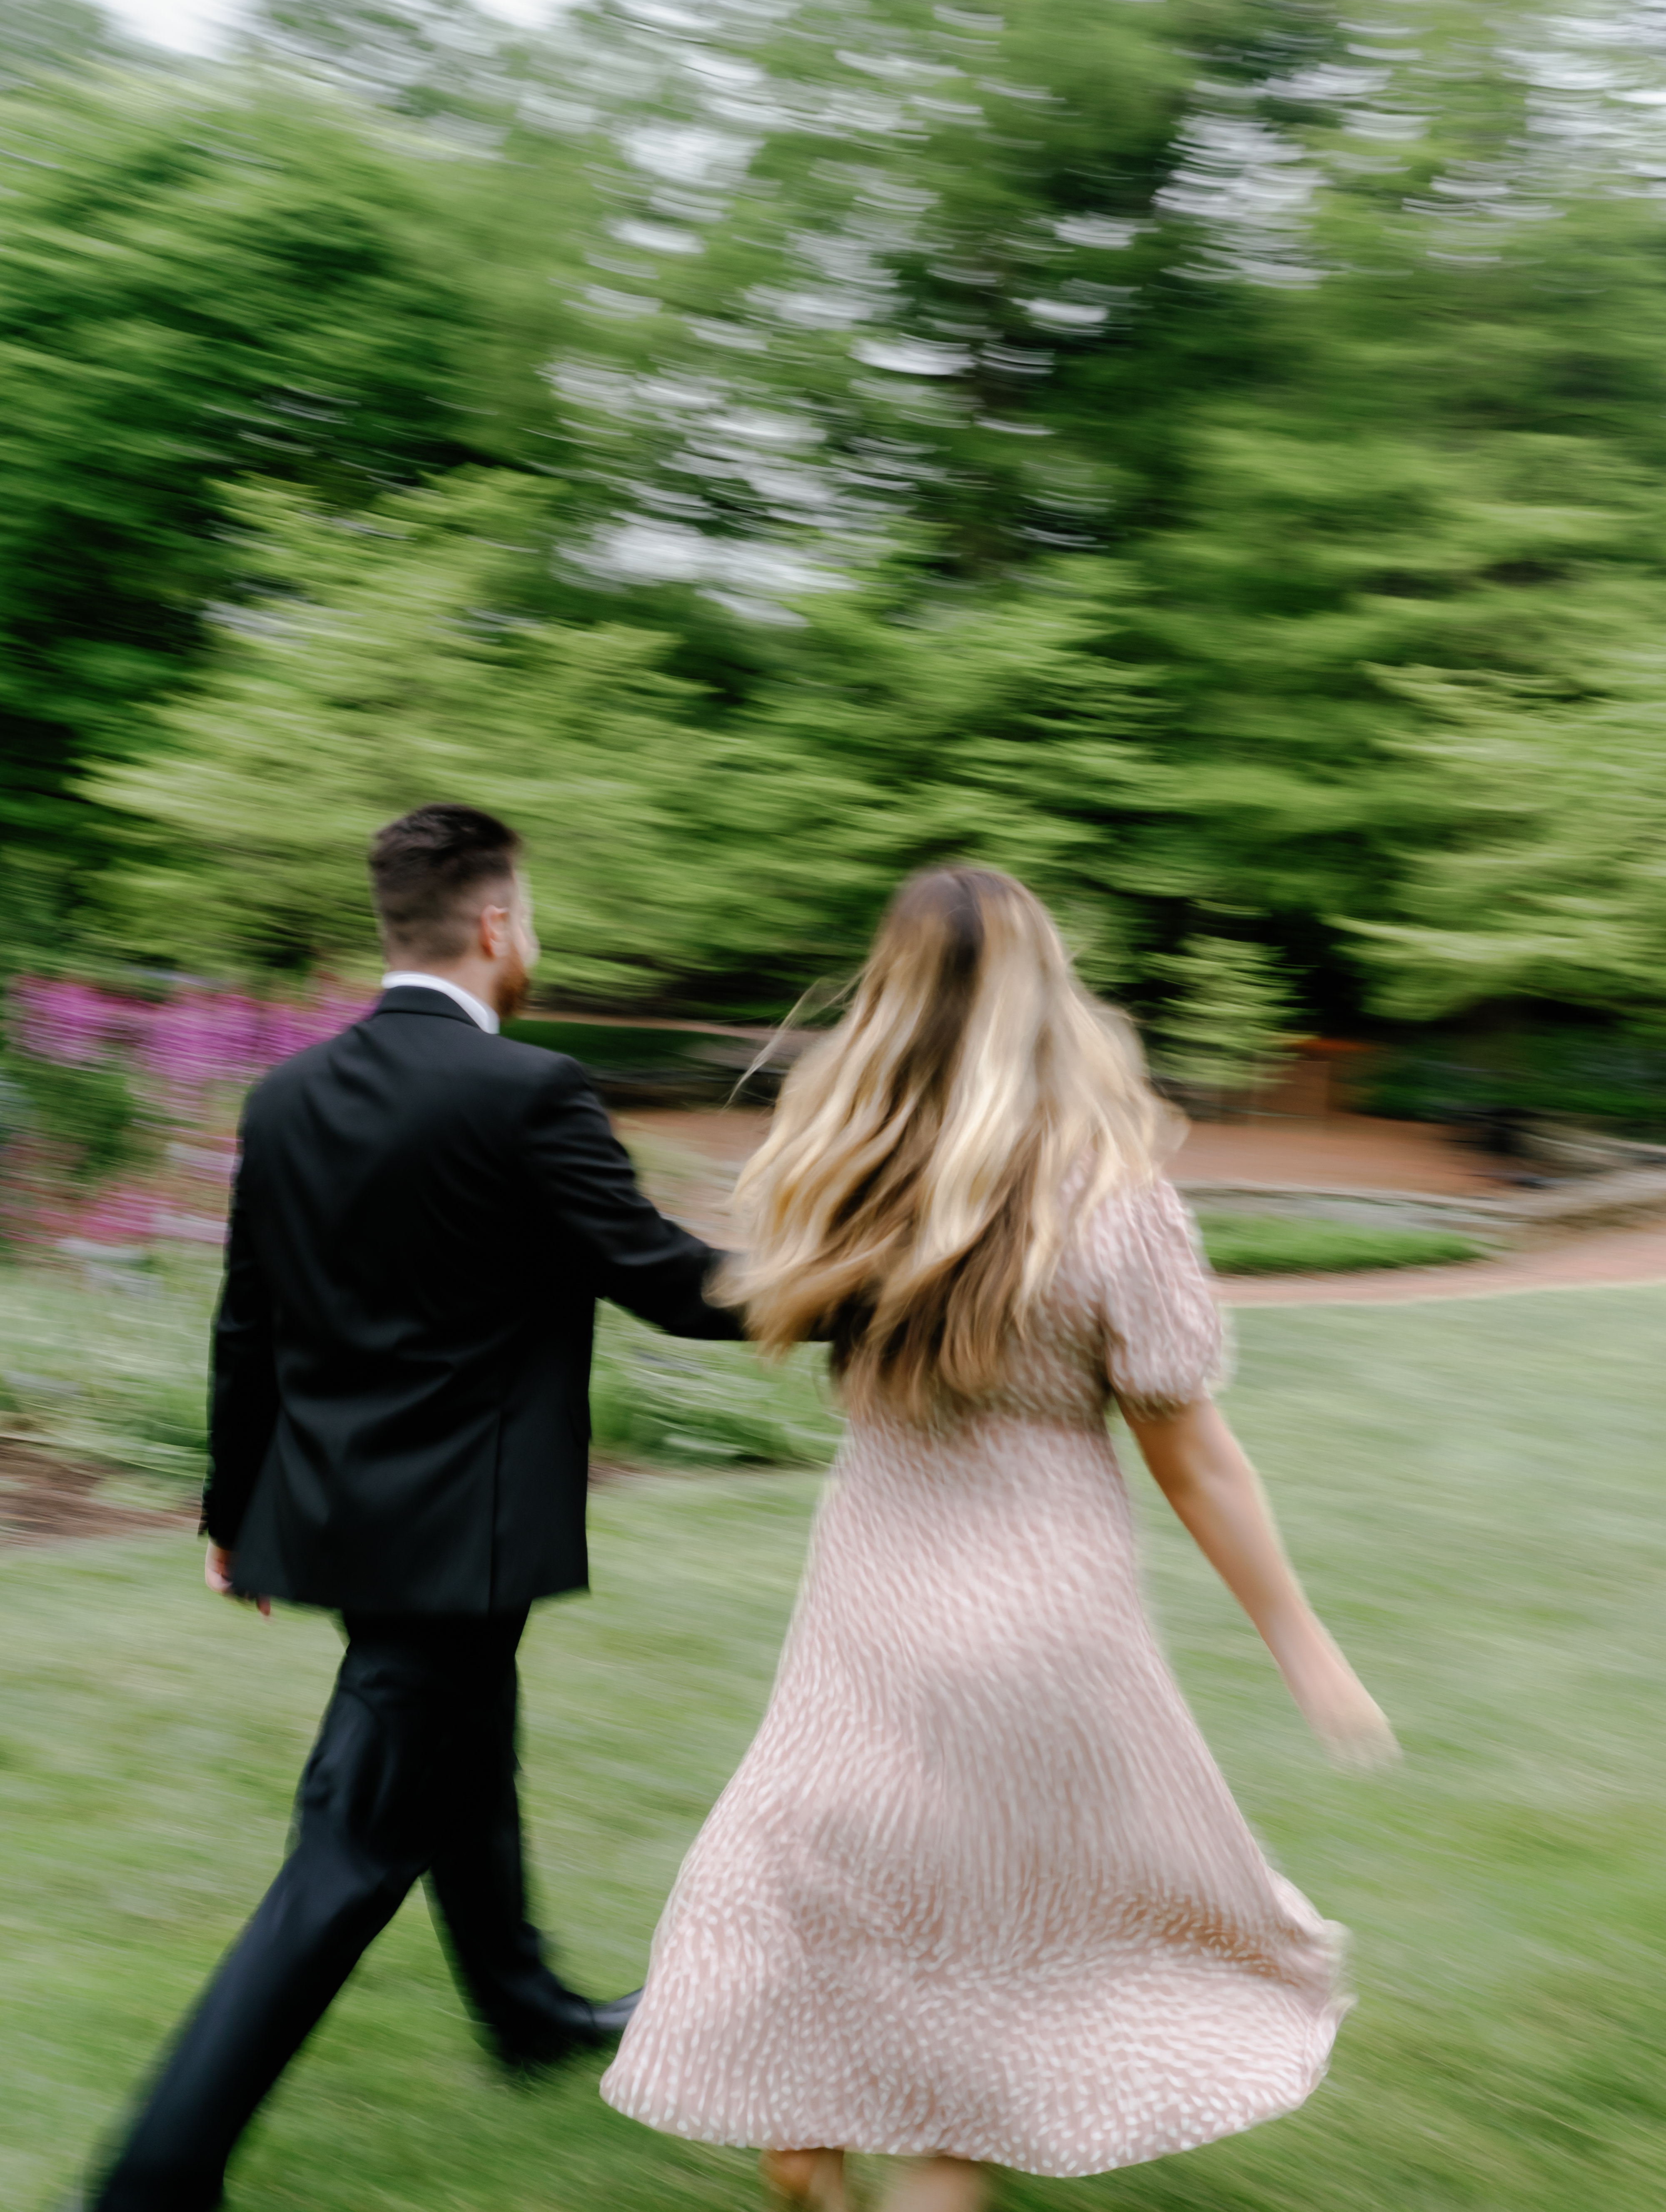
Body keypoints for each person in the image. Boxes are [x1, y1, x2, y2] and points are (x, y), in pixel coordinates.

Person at [602, 866, 1395, 2212]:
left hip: (877, 1583)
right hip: (1047, 1603)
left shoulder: (840, 1169)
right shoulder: (1113, 1194)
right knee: (988, 1975)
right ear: (1049, 990)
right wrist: (1305, 1646)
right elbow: (1192, 1459)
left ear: (890, 992)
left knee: (814, 1859)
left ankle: (807, 2127)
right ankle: (912, 2145)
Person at [87, 803, 743, 2212]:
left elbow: (245, 1321)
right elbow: (671, 1284)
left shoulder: (288, 1094)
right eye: (537, 913)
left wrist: (230, 1506)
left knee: (462, 1751)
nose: (539, 938)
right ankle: (153, 2176)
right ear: (497, 925)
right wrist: (885, 1288)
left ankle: (524, 2011)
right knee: (351, 1843)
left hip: (343, 1517)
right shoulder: (528, 1093)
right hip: (463, 1538)